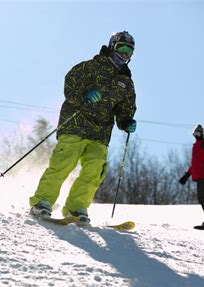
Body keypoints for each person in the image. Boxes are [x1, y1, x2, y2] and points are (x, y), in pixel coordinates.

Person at [29, 31, 138, 224]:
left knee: (95, 170)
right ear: (112, 46)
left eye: (129, 51)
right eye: (121, 48)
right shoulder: (91, 66)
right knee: (63, 163)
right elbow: (70, 83)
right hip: (76, 125)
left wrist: (126, 121)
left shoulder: (126, 83)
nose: (124, 54)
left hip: (101, 133)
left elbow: (125, 109)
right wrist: (85, 94)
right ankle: (42, 202)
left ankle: (76, 207)